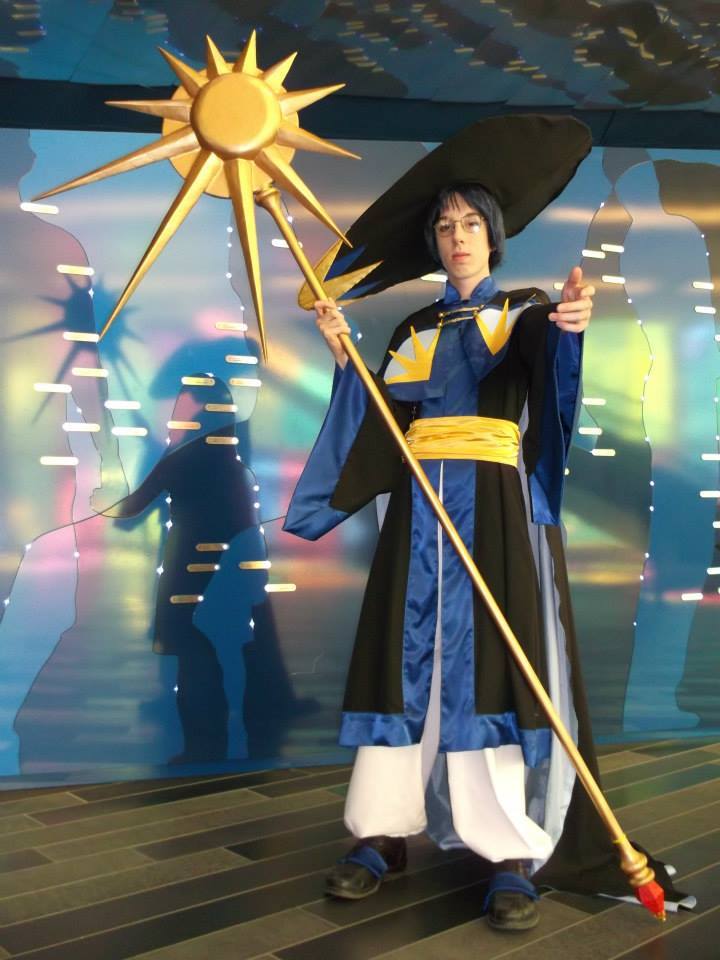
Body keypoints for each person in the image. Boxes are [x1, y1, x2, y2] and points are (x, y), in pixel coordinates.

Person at [283, 118, 685, 931]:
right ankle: (381, 832)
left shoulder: (523, 313)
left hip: (492, 513)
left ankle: (507, 849)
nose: (458, 235)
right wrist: (345, 360)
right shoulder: (413, 331)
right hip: (418, 516)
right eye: (445, 225)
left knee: (490, 670)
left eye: (470, 223)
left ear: (493, 236)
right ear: (434, 242)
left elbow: (547, 364)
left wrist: (571, 326)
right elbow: (384, 426)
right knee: (403, 665)